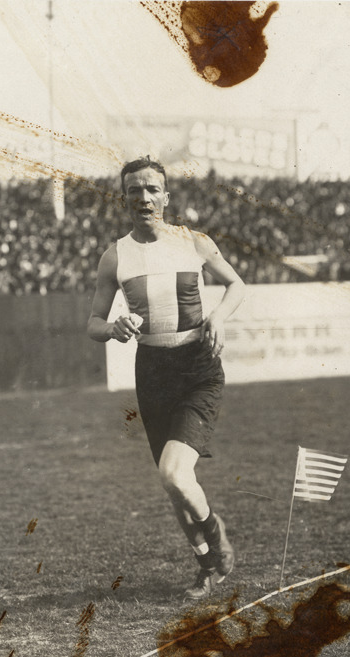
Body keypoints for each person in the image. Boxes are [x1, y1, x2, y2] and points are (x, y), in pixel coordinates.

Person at [87, 156, 246, 599]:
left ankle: (216, 537)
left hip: (197, 367)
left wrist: (218, 317)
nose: (144, 197)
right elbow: (93, 323)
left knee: (175, 474)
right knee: (171, 481)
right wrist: (114, 327)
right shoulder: (114, 256)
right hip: (153, 372)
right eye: (134, 190)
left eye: (152, 189)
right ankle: (206, 566)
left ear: (166, 197)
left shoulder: (194, 243)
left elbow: (236, 285)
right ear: (124, 199)